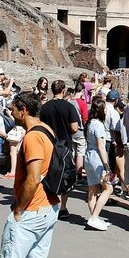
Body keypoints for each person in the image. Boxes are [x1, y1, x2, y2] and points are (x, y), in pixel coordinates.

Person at [0, 92, 60, 258]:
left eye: (13, 109)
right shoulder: (46, 129)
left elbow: (33, 178)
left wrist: (18, 209)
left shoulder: (32, 137)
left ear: (23, 110)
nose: (11, 113)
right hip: (49, 206)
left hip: (32, 210)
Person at [40, 79, 79, 220]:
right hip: (65, 144)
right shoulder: (69, 107)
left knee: (48, 172)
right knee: (66, 174)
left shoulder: (45, 107)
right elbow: (74, 128)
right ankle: (63, 207)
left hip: (48, 143)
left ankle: (49, 202)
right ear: (63, 91)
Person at [84, 97, 113, 230]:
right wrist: (107, 166)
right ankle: (94, 217)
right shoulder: (99, 125)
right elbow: (101, 147)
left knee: (92, 190)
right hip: (96, 158)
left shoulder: (89, 123)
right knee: (108, 188)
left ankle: (93, 217)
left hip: (88, 156)